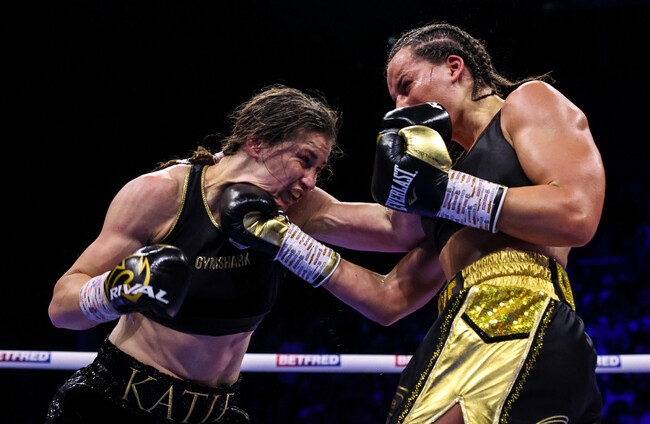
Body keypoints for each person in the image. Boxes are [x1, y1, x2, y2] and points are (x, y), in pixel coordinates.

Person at [220, 22, 606, 424]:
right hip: (460, 324)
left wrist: (444, 192)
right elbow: (390, 295)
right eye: (394, 98)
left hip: (520, 315)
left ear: (454, 67)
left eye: (406, 85)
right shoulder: (445, 185)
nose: (400, 106)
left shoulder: (527, 103)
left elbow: (576, 215)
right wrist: (284, 237)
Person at [46, 85, 429, 423]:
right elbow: (61, 308)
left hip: (216, 412)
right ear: (256, 142)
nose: (310, 181)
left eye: (318, 169)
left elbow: (399, 233)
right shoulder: (163, 195)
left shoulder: (297, 208)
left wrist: (417, 172)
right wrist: (115, 289)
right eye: (305, 159)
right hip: (115, 404)